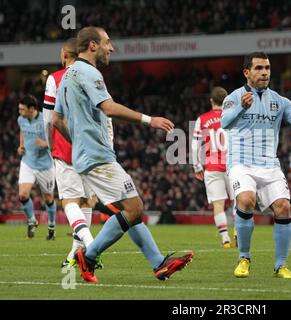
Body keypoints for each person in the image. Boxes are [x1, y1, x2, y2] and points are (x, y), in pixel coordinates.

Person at [53, 26, 193, 283]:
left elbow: (56, 119)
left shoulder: (67, 75)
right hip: (97, 156)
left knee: (130, 211)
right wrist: (149, 120)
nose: (111, 48)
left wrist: (78, 140)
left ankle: (158, 263)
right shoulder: (88, 71)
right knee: (135, 207)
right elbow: (108, 108)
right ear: (93, 45)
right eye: (107, 43)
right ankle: (90, 255)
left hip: (85, 155)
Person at [221, 52, 291, 279]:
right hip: (241, 163)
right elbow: (224, 123)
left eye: (267, 68)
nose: (264, 72)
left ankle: (281, 266)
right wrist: (241, 108)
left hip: (269, 164)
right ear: (247, 72)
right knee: (246, 200)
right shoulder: (234, 97)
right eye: (259, 68)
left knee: (284, 207)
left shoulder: (280, 101)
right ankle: (244, 258)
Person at [43, 38, 98, 268]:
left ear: (65, 53)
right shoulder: (93, 75)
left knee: (70, 201)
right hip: (93, 147)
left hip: (67, 147)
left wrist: (50, 144)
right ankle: (75, 254)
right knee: (87, 201)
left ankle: (91, 246)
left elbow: (49, 119)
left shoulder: (55, 79)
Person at [192, 86, 234, 248]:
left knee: (218, 205)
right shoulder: (233, 117)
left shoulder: (202, 119)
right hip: (233, 166)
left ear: (211, 101)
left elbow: (195, 146)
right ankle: (238, 232)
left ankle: (225, 239)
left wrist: (197, 167)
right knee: (238, 203)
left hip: (212, 167)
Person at [17, 94, 56, 239]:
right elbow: (22, 130)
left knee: (48, 199)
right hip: (28, 162)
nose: (20, 112)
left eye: (22, 109)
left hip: (45, 165)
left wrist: (46, 144)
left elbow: (56, 139)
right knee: (23, 194)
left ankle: (51, 226)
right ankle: (32, 221)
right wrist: (21, 146)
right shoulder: (21, 119)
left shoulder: (45, 120)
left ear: (32, 109)